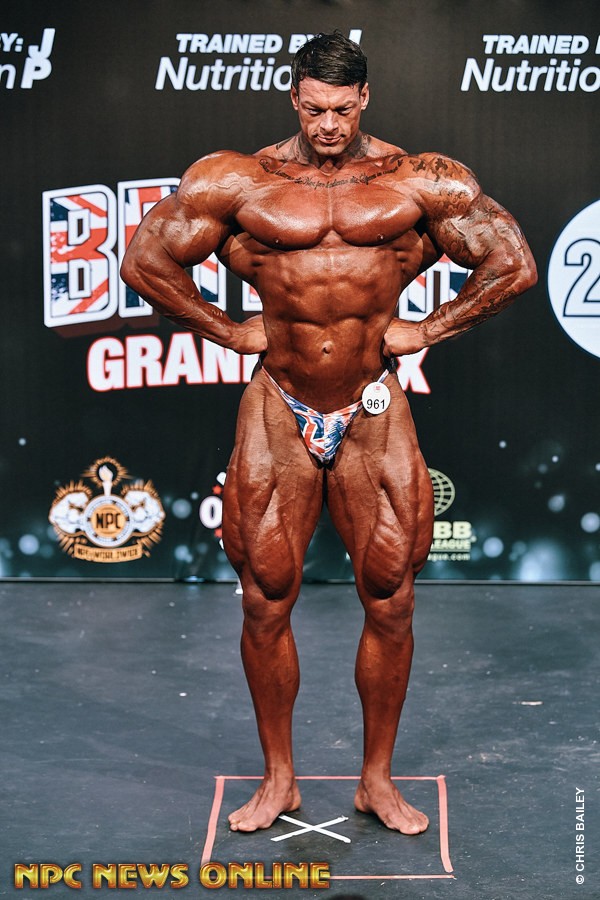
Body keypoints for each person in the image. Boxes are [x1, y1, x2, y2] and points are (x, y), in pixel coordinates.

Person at [121, 31, 537, 835]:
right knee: (264, 597)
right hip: (278, 405)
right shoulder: (238, 179)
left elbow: (512, 263)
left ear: (365, 98)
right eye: (314, 109)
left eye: (342, 109)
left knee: (391, 597)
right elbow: (146, 260)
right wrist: (224, 329)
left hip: (373, 406)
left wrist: (433, 327)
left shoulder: (419, 179)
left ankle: (376, 780)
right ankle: (279, 779)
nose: (328, 125)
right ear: (294, 96)